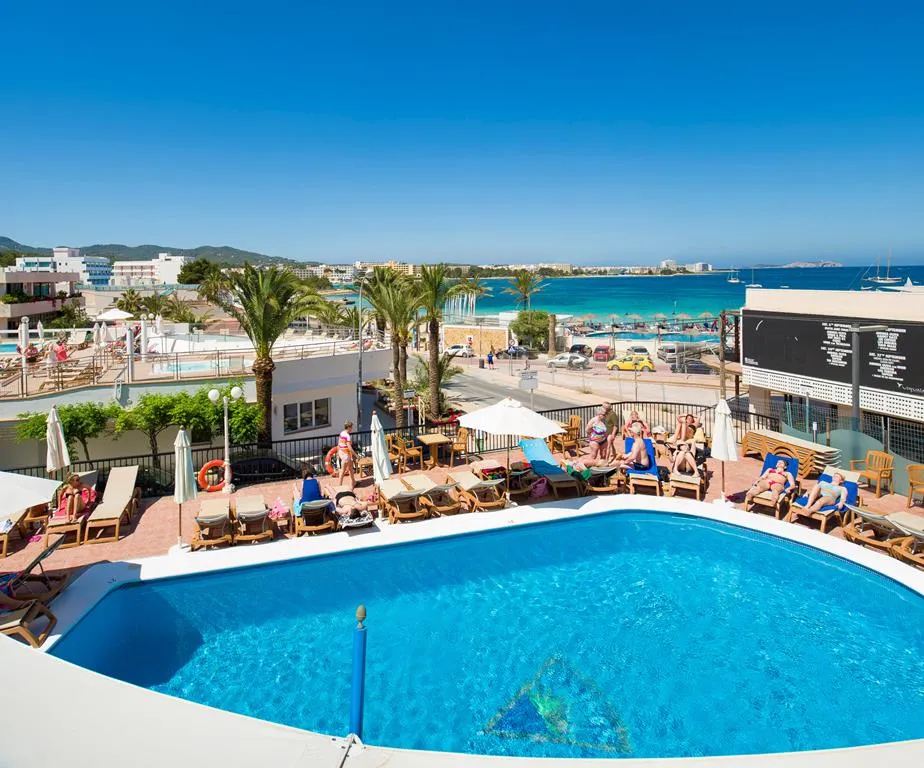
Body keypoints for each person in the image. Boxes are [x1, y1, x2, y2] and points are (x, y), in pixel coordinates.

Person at [337, 421, 356, 488]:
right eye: (351, 427)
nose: (352, 429)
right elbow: (349, 447)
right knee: (343, 470)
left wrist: (338, 452)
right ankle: (339, 485)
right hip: (346, 455)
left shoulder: (342, 433)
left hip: (341, 452)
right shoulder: (348, 436)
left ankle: (353, 482)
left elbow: (339, 443)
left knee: (350, 468)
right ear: (348, 427)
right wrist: (355, 455)